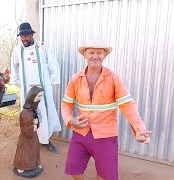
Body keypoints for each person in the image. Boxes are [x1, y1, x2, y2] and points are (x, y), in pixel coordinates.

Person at [61, 38, 152, 180]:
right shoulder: (75, 79)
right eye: (91, 52)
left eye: (99, 53)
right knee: (74, 169)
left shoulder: (114, 78)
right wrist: (70, 120)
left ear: (105, 56)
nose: (95, 56)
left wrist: (139, 128)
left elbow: (127, 104)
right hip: (81, 132)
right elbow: (66, 103)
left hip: (106, 135)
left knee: (105, 175)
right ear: (85, 55)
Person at [11, 22, 61, 152]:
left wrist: (49, 82)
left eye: (26, 35)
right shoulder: (17, 50)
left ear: (32, 35)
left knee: (43, 113)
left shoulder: (42, 47)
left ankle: (44, 141)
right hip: (26, 90)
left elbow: (53, 64)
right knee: (28, 115)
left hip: (41, 90)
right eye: (22, 36)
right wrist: (19, 84)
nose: (24, 39)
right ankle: (30, 140)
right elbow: (14, 68)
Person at [13, 86, 44, 178]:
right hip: (26, 139)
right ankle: (21, 166)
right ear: (32, 96)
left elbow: (36, 121)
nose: (41, 99)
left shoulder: (34, 110)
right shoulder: (25, 113)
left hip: (33, 137)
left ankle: (35, 164)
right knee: (25, 152)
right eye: (39, 96)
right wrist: (34, 125)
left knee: (34, 150)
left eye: (41, 96)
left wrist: (37, 122)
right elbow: (25, 130)